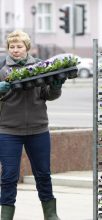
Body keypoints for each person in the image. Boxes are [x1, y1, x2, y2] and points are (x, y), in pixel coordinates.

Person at [0, 30, 64, 219]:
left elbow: (48, 95)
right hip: (8, 130)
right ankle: (5, 215)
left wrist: (55, 86)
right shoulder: (2, 69)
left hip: (38, 129)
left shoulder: (40, 67)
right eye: (12, 47)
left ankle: (50, 213)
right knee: (9, 176)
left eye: (19, 46)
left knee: (43, 174)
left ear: (27, 48)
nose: (15, 50)